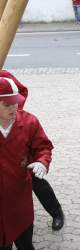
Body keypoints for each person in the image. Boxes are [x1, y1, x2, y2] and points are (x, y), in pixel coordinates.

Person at [0, 70, 64, 232]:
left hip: (21, 150)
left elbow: (21, 91)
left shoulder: (4, 74)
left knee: (37, 180)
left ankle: (56, 212)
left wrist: (12, 107)